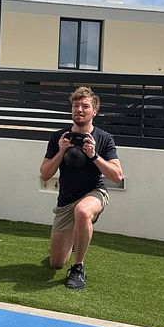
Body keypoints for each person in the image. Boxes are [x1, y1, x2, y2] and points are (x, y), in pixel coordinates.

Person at [40, 86, 123, 289]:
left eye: (85, 106)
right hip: (66, 200)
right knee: (56, 263)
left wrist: (94, 155)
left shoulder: (104, 138)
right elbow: (45, 174)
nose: (79, 109)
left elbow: (117, 176)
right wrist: (61, 152)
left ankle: (78, 267)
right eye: (76, 105)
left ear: (94, 111)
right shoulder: (59, 137)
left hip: (94, 193)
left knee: (83, 212)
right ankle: (75, 239)